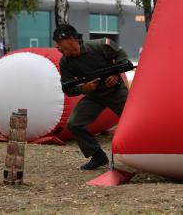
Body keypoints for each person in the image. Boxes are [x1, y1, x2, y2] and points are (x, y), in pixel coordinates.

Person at [53, 24, 129, 170]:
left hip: (115, 92)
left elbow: (123, 58)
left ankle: (144, 152)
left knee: (134, 120)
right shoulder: (65, 62)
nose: (58, 47)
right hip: (93, 96)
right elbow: (68, 88)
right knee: (74, 124)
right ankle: (97, 156)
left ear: (71, 40)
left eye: (59, 43)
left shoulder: (99, 45)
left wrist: (115, 75)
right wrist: (83, 88)